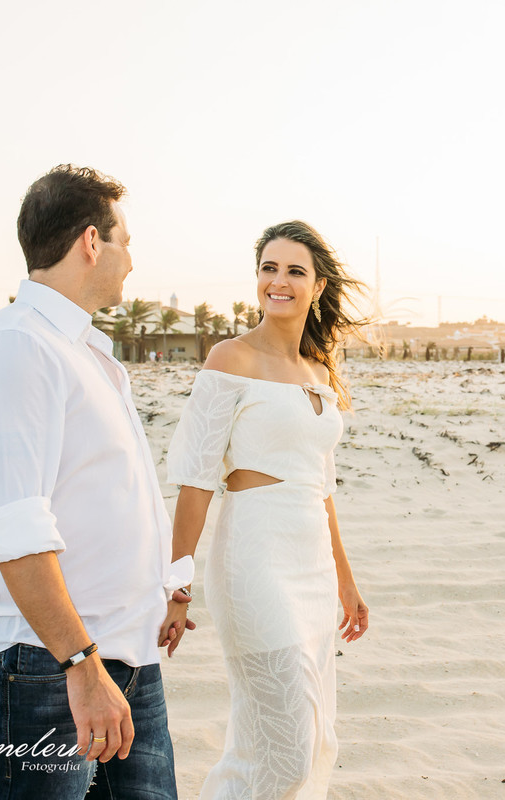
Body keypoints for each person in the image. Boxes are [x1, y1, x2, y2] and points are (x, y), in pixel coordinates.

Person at [0, 164, 194, 799]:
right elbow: (16, 527)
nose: (131, 262)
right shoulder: (14, 347)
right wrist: (79, 664)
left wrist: (161, 591)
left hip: (125, 659)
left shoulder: (87, 352)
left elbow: (102, 496)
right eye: (125, 242)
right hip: (45, 668)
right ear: (91, 241)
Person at [166, 220, 369, 799]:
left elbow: (321, 487)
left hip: (312, 565)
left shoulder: (319, 370)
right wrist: (177, 584)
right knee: (286, 748)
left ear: (318, 284)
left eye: (294, 271)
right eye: (268, 268)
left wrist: (346, 585)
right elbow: (196, 480)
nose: (278, 281)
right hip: (254, 559)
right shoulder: (230, 358)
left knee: (311, 741)